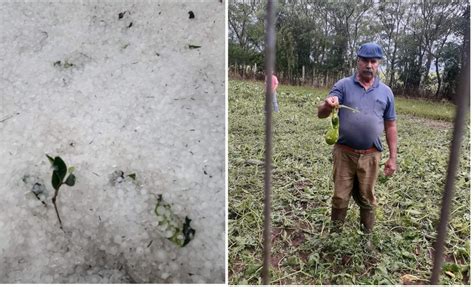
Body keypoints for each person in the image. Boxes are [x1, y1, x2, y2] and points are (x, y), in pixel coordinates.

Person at [317, 42, 398, 234]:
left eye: (373, 61)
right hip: (344, 153)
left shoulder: (386, 92)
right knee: (340, 196)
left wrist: (393, 157)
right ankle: (335, 236)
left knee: (367, 198)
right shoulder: (343, 85)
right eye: (365, 61)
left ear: (378, 64)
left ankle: (366, 237)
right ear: (358, 62)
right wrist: (328, 105)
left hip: (371, 155)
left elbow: (391, 125)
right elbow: (321, 113)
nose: (369, 65)